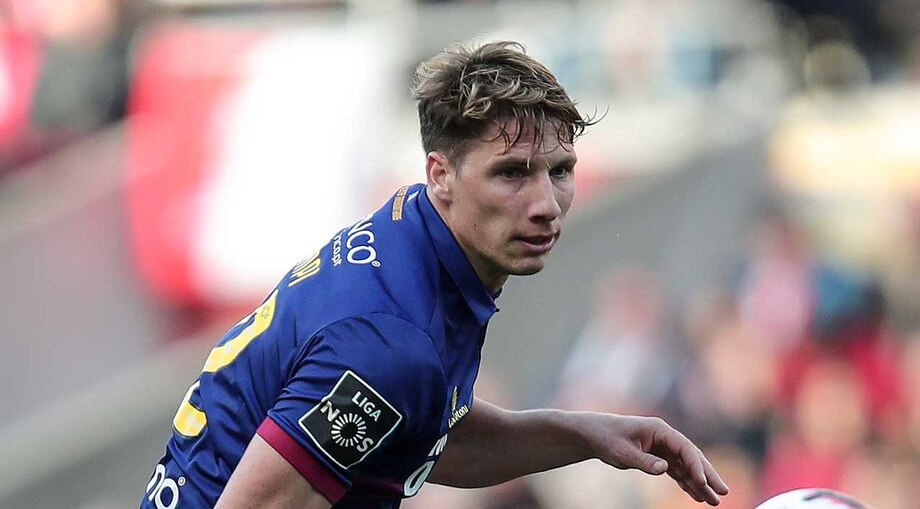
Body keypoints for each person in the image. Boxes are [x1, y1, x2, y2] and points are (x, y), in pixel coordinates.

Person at [141, 41, 729, 509]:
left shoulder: (414, 234)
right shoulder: (390, 339)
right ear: (440, 174)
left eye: (560, 170)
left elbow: (419, 436)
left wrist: (589, 435)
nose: (546, 204)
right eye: (511, 173)